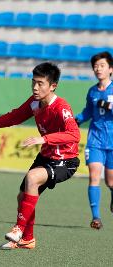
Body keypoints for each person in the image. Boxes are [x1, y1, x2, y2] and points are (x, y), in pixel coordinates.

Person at [0, 62, 80, 249]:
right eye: (33, 82)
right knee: (22, 196)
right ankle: (28, 239)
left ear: (53, 86)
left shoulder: (61, 107)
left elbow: (75, 134)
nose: (35, 87)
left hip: (65, 160)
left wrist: (44, 139)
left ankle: (18, 229)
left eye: (40, 83)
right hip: (46, 157)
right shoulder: (34, 103)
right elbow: (14, 116)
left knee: (32, 178)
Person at [75, 51, 113, 230]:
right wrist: (76, 120)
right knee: (94, 177)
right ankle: (96, 217)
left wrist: (107, 105)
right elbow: (89, 112)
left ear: (110, 69)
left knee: (111, 182)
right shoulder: (92, 91)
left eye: (102, 66)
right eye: (95, 66)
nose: (98, 69)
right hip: (95, 140)